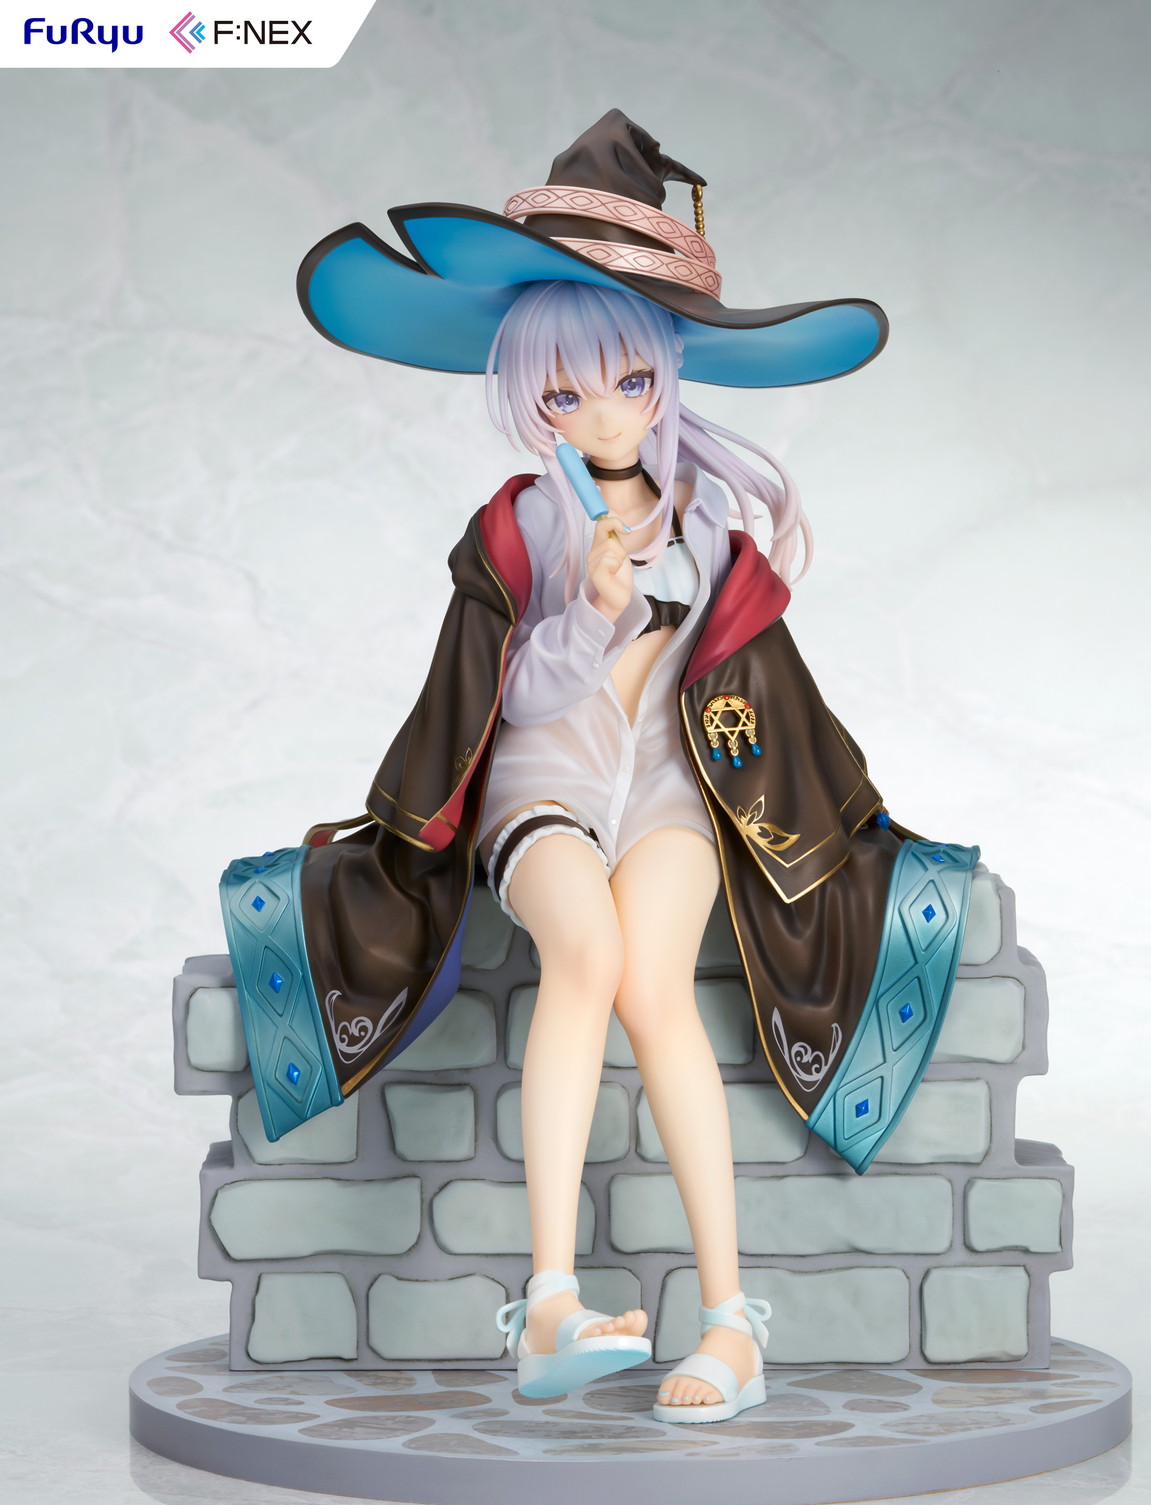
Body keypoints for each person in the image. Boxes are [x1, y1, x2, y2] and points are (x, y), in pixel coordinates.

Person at [220, 110, 978, 1425]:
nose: (601, 413)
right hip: (546, 786)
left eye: (628, 380)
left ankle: (731, 1320)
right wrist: (585, 617)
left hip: (675, 789)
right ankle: (552, 1300)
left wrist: (829, 810)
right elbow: (502, 700)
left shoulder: (710, 528)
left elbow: (751, 701)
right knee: (584, 956)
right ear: (527, 396)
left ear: (668, 373)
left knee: (656, 988)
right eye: (564, 393)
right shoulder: (521, 524)